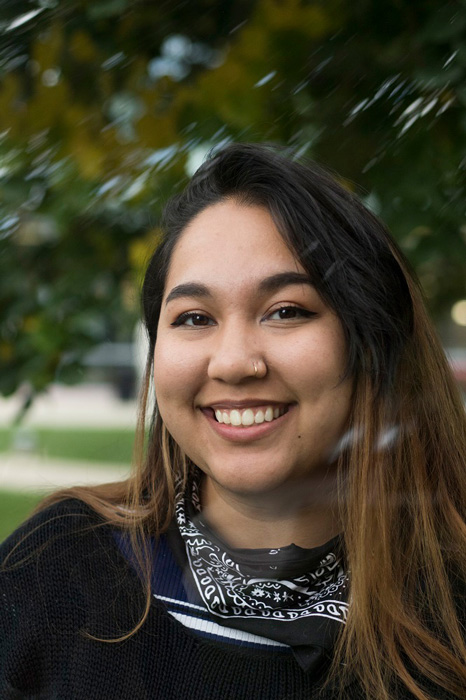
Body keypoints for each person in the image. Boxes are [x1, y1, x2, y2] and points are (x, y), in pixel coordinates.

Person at [1, 143, 466, 700]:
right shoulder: (55, 573)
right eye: (194, 318)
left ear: (373, 342)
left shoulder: (450, 607)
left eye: (286, 311)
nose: (233, 363)